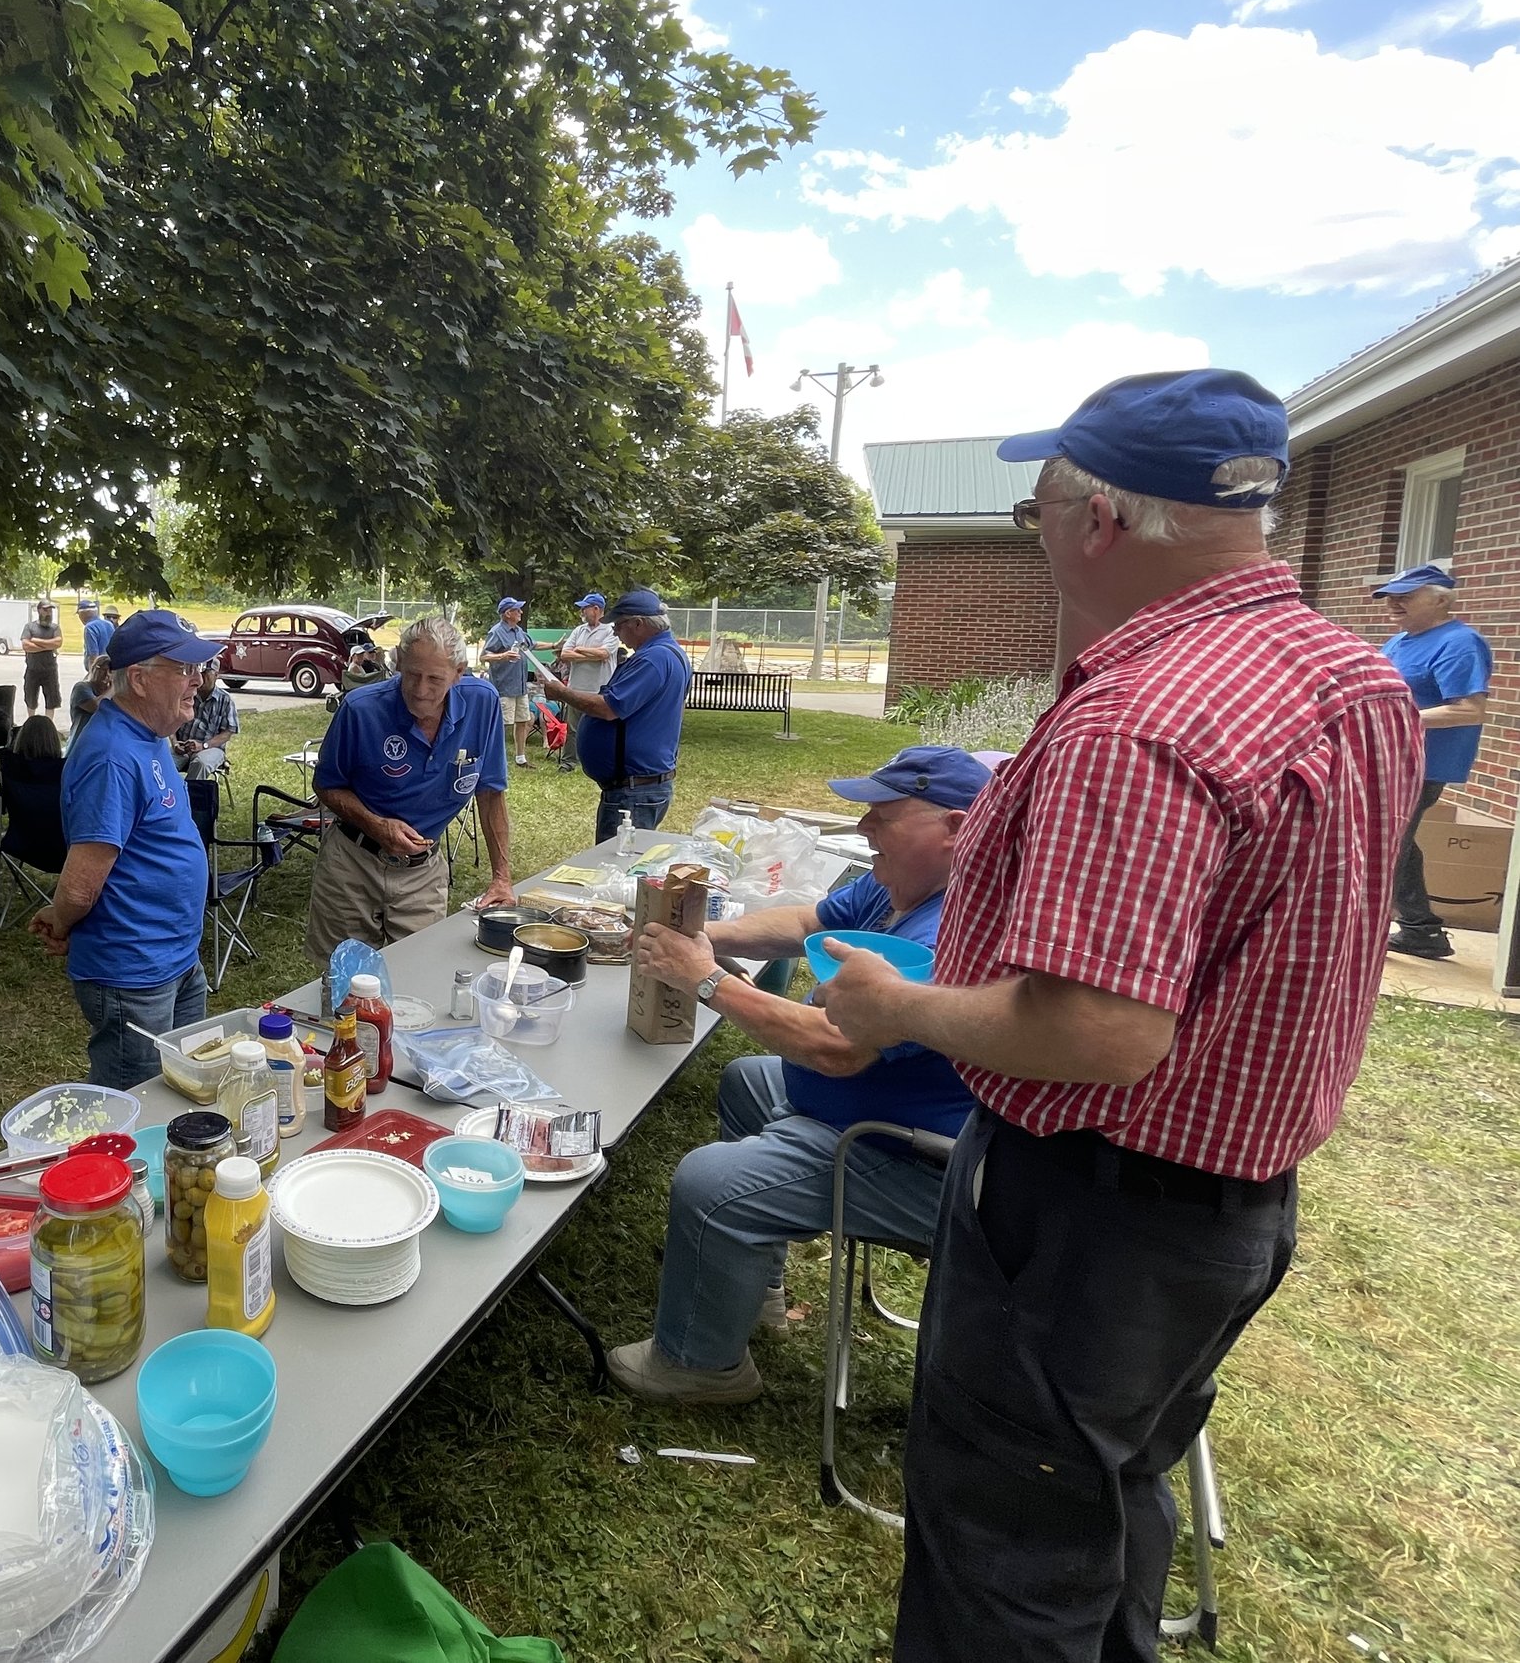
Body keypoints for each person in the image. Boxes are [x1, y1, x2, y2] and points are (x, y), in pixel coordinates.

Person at [812, 368, 1421, 1660]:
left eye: (1036, 512)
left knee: (1003, 1562)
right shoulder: (1355, 681)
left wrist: (898, 1001)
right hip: (1234, 1214)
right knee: (1112, 1493)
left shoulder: (1141, 715)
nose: (1036, 540)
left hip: (1092, 1219)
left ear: (1098, 521)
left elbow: (1102, 1029)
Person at [610, 747, 993, 1403]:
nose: (864, 828)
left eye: (884, 813)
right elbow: (803, 921)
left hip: (911, 1155)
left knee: (709, 1182)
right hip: (875, 1112)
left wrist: (701, 976)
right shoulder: (904, 885)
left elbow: (836, 1049)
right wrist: (706, 934)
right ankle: (750, 1274)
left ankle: (701, 1363)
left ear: (956, 828)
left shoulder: (948, 932)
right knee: (748, 1080)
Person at [30, 609, 218, 1088]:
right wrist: (60, 921)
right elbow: (79, 886)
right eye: (183, 670)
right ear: (138, 678)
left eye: (196, 669)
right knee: (134, 1106)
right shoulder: (112, 755)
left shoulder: (148, 735)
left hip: (173, 957)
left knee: (182, 1088)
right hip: (133, 972)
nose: (196, 680)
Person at [308, 614, 517, 962]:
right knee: (343, 985)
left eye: (435, 679)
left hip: (423, 870)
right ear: (398, 663)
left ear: (459, 673)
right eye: (412, 675)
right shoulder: (360, 709)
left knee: (419, 977)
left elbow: (491, 792)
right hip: (352, 863)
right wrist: (377, 825)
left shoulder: (483, 703)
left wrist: (501, 878)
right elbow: (327, 786)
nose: (421, 691)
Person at [1372, 564, 1495, 960]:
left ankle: (1397, 929)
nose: (1394, 602)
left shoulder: (1459, 642)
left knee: (1386, 841)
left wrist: (1396, 719)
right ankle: (1419, 928)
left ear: (1441, 600)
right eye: (1391, 594)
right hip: (1391, 757)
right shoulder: (1401, 641)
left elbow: (1469, 710)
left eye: (1406, 595)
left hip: (1422, 763)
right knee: (1396, 841)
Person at [544, 589, 690, 843]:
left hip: (633, 790)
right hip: (638, 785)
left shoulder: (653, 659)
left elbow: (608, 708)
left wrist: (562, 693)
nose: (615, 632)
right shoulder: (667, 653)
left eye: (619, 625)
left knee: (614, 870)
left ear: (638, 623)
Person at [551, 593, 619, 770]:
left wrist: (579, 649)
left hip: (600, 689)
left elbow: (604, 654)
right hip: (576, 688)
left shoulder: (612, 630)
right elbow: (564, 654)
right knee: (572, 729)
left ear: (596, 609)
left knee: (600, 729)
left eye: (585, 608)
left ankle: (598, 762)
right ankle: (569, 762)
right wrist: (590, 653)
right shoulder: (578, 630)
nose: (581, 611)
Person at [479, 596, 535, 768]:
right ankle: (495, 758)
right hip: (504, 687)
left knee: (522, 721)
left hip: (520, 686)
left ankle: (520, 758)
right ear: (507, 613)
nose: (521, 612)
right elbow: (484, 656)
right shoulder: (496, 632)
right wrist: (503, 656)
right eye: (517, 610)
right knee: (502, 724)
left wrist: (555, 644)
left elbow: (533, 645)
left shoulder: (518, 631)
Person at [174, 657, 239, 778]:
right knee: (163, 762)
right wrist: (175, 743)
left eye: (206, 673)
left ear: (216, 675)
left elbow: (228, 733)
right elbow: (171, 720)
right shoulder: (187, 695)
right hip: (183, 747)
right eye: (199, 672)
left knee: (201, 763)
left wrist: (203, 745)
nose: (201, 677)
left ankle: (192, 795)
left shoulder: (225, 700)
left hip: (211, 748)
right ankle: (169, 794)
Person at [20, 601, 64, 716]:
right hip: (32, 669)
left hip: (50, 670)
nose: (48, 613)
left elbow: (58, 643)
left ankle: (49, 725)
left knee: (52, 701)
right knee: (30, 699)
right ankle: (31, 723)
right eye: (45, 610)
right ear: (39, 610)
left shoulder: (55, 628)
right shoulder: (29, 627)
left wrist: (37, 641)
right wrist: (48, 647)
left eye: (50, 610)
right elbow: (26, 646)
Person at [68, 655, 112, 738]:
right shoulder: (81, 687)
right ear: (93, 669)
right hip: (81, 740)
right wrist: (112, 688)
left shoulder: (113, 694)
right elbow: (95, 707)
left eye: (110, 671)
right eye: (102, 670)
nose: (106, 674)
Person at [78, 597, 114, 669]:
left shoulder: (90, 628)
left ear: (83, 614)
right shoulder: (109, 624)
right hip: (111, 665)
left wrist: (92, 674)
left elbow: (93, 654)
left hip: (100, 669)